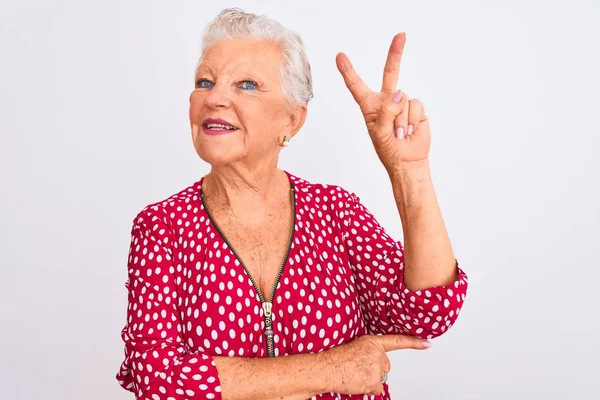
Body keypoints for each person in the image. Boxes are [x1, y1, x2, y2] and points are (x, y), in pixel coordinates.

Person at [116, 8, 468, 400]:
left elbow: (428, 313)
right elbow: (159, 379)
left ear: (292, 120)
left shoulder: (335, 211)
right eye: (205, 81)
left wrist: (409, 170)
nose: (214, 97)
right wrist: (331, 369)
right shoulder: (162, 228)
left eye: (246, 84)